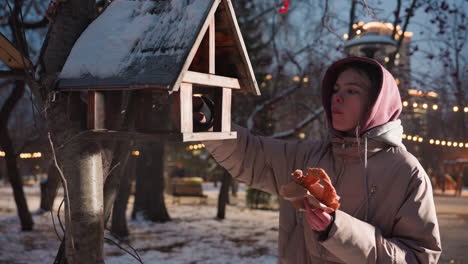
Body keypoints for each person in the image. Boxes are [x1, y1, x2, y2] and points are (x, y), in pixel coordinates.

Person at [198, 56, 441, 263]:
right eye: (336, 90)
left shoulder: (406, 172)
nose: (337, 97)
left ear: (376, 103)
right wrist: (209, 120)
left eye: (352, 90)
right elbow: (249, 153)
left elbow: (419, 257)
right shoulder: (307, 156)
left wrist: (337, 229)